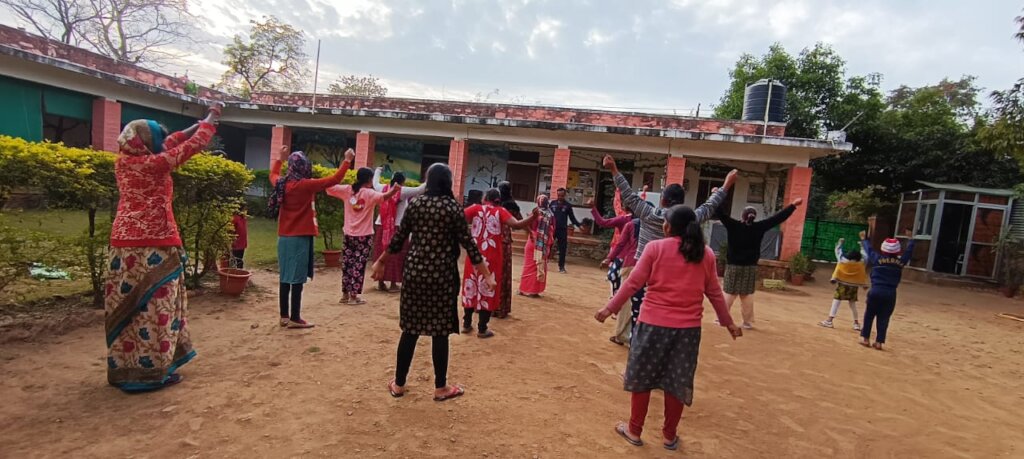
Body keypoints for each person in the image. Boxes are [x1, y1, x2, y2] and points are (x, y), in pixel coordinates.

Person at [595, 205, 742, 450]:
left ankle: (634, 430)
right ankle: (669, 436)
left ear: (668, 227)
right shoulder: (705, 254)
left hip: (652, 326)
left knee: (642, 379)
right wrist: (729, 323)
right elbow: (715, 293)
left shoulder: (655, 248)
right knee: (677, 382)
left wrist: (609, 308)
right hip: (687, 332)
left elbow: (632, 284)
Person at [105, 102, 221, 392]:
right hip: (153, 247)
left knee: (132, 309)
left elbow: (173, 141)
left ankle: (125, 369)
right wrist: (212, 117)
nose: (162, 143)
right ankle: (153, 371)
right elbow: (192, 146)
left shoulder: (125, 161)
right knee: (157, 309)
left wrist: (196, 124)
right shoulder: (153, 165)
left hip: (123, 248)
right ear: (145, 144)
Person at [372, 163, 494, 402]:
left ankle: (399, 384)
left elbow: (398, 239)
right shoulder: (453, 208)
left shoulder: (416, 205)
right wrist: (487, 275)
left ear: (428, 181)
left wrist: (380, 261)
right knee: (440, 332)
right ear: (448, 182)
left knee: (410, 330)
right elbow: (470, 246)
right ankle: (440, 387)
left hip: (414, 275)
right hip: (442, 278)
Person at [603, 154, 737, 337]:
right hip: (676, 282)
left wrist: (614, 169)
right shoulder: (690, 219)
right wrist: (726, 185)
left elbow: (628, 195)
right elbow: (709, 206)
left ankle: (636, 342)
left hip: (644, 276)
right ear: (681, 203)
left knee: (639, 319)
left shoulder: (649, 215)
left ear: (663, 200)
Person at [270, 146, 353, 329]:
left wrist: (279, 158)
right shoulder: (306, 185)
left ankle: (284, 316)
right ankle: (295, 317)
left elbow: (273, 174)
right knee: (297, 279)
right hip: (300, 238)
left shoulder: (281, 184)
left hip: (283, 238)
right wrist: (347, 160)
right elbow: (334, 180)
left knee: (285, 276)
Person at [715, 199, 802, 329]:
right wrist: (793, 205)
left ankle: (721, 319)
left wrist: (716, 195)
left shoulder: (733, 225)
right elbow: (778, 218)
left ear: (742, 215)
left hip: (733, 266)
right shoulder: (759, 227)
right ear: (754, 217)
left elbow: (720, 213)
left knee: (729, 292)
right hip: (750, 267)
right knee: (747, 295)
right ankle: (747, 322)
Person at [462, 188, 537, 337]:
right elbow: (516, 225)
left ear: (485, 198)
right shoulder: (501, 211)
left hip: (474, 255)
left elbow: (458, 218)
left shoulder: (475, 209)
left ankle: (466, 324)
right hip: (492, 257)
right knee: (488, 289)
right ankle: (482, 328)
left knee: (471, 285)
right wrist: (533, 217)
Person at [327, 168, 399, 304]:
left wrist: (337, 174)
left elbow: (329, 187)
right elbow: (383, 197)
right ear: (369, 179)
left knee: (347, 264)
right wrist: (394, 190)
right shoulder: (369, 193)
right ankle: (354, 297)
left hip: (348, 234)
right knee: (358, 265)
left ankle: (345, 295)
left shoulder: (348, 190)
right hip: (364, 236)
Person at [588, 198, 639, 346]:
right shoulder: (651, 224)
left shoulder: (627, 221)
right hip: (646, 264)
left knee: (621, 291)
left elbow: (604, 224)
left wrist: (609, 258)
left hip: (627, 261)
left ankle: (621, 332)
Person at [372, 168, 426, 293]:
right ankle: (393, 284)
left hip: (382, 225)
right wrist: (431, 178)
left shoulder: (382, 188)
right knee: (397, 255)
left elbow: (375, 183)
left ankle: (380, 282)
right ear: (403, 181)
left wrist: (378, 171)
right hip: (398, 227)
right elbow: (420, 189)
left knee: (381, 252)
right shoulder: (403, 191)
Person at [859, 230, 915, 350]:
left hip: (875, 291)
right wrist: (911, 240)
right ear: (897, 251)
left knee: (869, 315)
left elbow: (869, 250)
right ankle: (879, 342)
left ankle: (866, 339)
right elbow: (908, 253)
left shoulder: (877, 259)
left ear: (883, 249)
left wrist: (864, 240)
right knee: (884, 318)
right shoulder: (900, 262)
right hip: (890, 293)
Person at [819, 238, 868, 330]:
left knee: (836, 301)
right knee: (852, 304)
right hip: (854, 286)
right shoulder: (861, 263)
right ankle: (856, 323)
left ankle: (829, 321)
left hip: (842, 285)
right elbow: (866, 256)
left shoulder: (843, 260)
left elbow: (838, 251)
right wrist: (862, 246)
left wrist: (840, 243)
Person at [518, 194, 556, 297]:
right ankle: (534, 291)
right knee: (540, 265)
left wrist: (531, 231)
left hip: (532, 241)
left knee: (528, 266)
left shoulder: (534, 213)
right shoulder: (551, 215)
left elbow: (527, 225)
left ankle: (523, 289)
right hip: (544, 243)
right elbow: (553, 229)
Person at [495, 181, 523, 318]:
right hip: (504, 241)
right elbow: (519, 223)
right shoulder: (512, 205)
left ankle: (486, 306)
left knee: (491, 272)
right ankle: (501, 307)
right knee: (503, 273)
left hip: (491, 240)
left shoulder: (494, 203)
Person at [548, 187, 581, 273]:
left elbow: (572, 218)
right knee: (548, 246)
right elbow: (548, 215)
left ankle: (561, 267)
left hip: (562, 230)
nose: (560, 197)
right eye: (559, 195)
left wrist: (579, 225)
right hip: (552, 229)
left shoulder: (568, 206)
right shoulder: (552, 204)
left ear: (565, 195)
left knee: (562, 249)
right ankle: (544, 263)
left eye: (562, 196)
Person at [229, 205, 248, 269]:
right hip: (238, 242)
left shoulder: (241, 218)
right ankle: (237, 270)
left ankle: (238, 270)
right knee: (237, 259)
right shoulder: (237, 218)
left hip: (240, 242)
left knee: (238, 259)